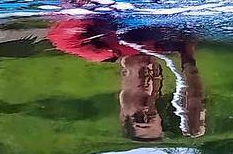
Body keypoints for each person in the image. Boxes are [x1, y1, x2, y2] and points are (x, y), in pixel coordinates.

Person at [46, 15, 206, 141]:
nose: (147, 106)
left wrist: (105, 29)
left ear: (123, 113)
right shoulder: (166, 45)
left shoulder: (101, 47)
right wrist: (193, 85)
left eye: (140, 117)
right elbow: (192, 30)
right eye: (153, 111)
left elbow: (60, 36)